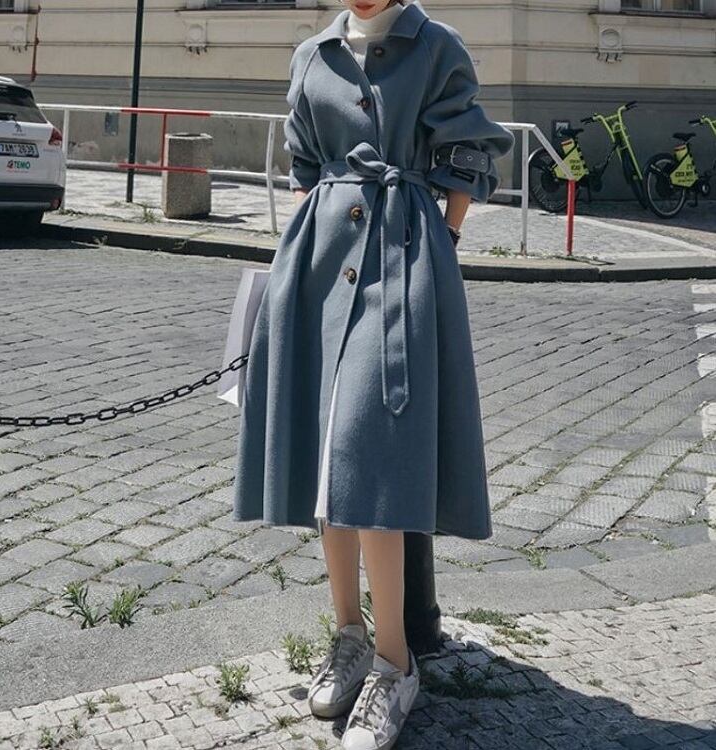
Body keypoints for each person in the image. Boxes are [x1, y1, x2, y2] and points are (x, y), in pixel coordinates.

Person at [232, 0, 515, 747]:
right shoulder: (312, 54)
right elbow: (303, 161)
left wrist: (442, 237)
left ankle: (397, 661)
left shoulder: (437, 45)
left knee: (375, 449)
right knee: (328, 456)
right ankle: (350, 636)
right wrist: (304, 250)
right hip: (317, 263)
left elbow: (470, 153)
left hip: (403, 256)